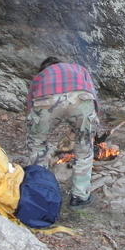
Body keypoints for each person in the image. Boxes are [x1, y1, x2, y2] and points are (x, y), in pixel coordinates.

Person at [26, 56, 99, 210]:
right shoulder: (79, 69)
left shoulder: (40, 77)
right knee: (84, 147)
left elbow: (30, 105)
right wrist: (83, 131)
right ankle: (79, 197)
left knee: (37, 145)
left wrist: (35, 131)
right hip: (80, 98)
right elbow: (93, 97)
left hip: (45, 101)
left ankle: (40, 193)